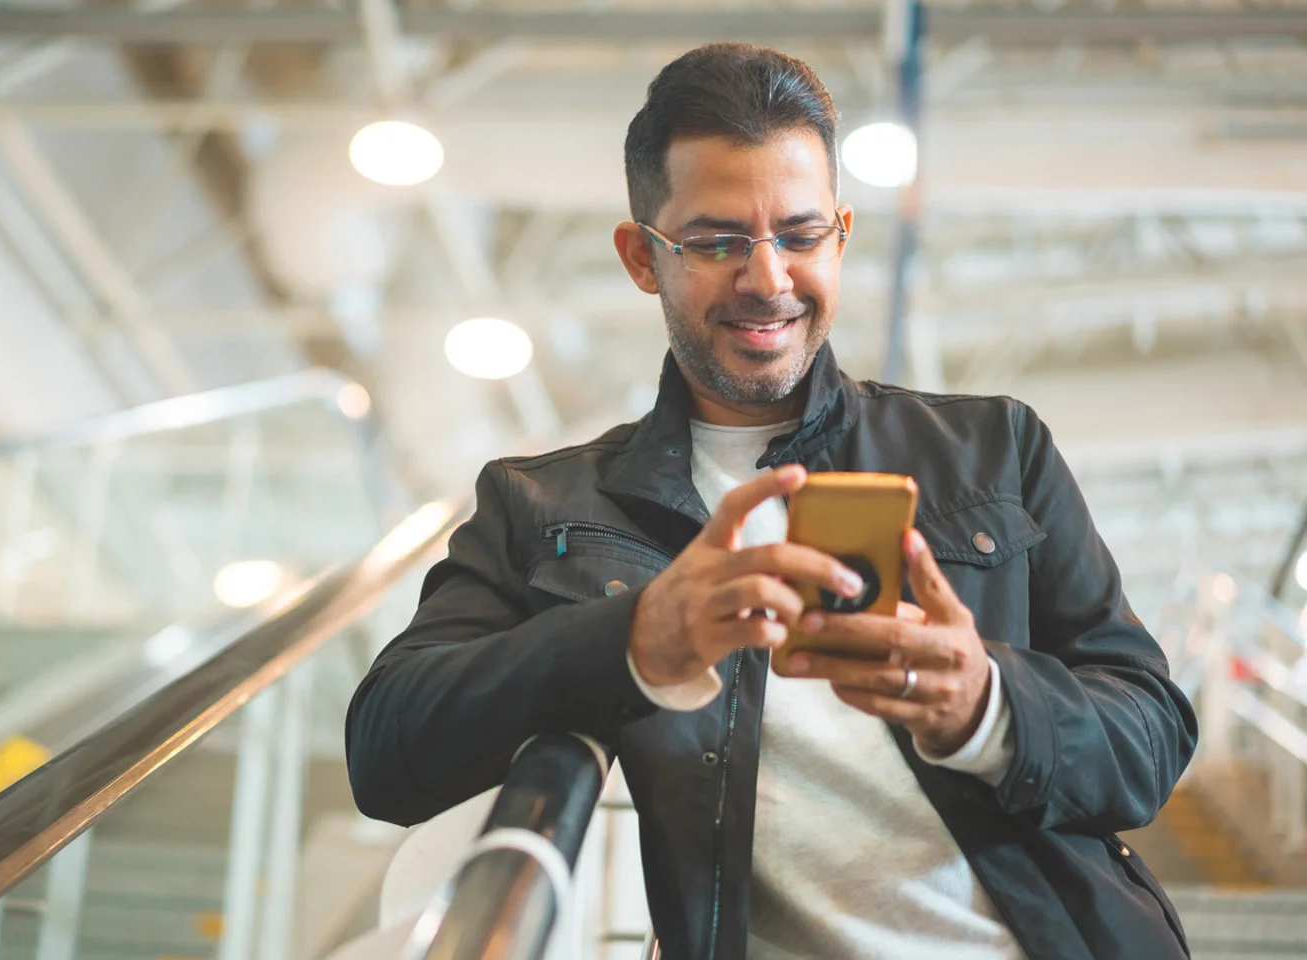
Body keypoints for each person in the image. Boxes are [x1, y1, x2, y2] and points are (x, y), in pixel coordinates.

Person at [346, 42, 1197, 960]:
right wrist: (635, 641)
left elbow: (1150, 729)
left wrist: (987, 705)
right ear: (641, 257)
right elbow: (388, 750)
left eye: (799, 234)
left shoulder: (995, 448)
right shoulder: (542, 504)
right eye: (716, 242)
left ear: (841, 233)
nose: (769, 279)